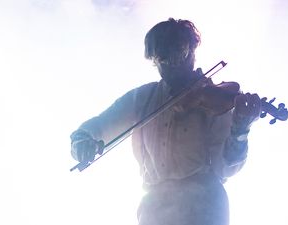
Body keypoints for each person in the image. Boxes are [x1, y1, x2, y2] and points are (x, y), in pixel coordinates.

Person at [70, 18, 262, 225]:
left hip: (204, 206)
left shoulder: (215, 99)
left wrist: (240, 130)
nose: (173, 68)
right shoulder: (142, 98)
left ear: (192, 52)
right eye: (164, 60)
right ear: (155, 60)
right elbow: (97, 126)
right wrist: (82, 141)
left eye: (179, 58)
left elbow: (226, 168)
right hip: (155, 208)